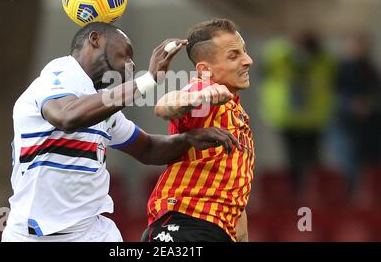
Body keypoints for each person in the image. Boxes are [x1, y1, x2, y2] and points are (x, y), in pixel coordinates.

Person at [2, 22, 238, 242]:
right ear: (95, 39)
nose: (132, 65)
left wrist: (188, 139)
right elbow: (67, 117)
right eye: (126, 53)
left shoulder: (101, 108)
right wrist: (148, 80)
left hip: (91, 232)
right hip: (31, 234)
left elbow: (148, 149)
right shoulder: (56, 77)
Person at [141, 18, 254, 242]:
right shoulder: (204, 89)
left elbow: (235, 200)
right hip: (184, 224)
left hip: (217, 230)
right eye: (234, 55)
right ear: (205, 69)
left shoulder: (236, 111)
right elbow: (164, 106)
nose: (248, 60)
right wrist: (198, 98)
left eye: (244, 52)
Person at [259, 31, 336, 195]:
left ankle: (314, 197)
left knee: (314, 162)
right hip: (287, 118)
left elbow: (331, 78)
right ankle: (295, 196)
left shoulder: (322, 57)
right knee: (292, 162)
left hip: (313, 119)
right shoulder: (278, 53)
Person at [332, 34, 380, 196]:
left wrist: (370, 104)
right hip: (348, 127)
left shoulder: (370, 70)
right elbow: (332, 95)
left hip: (370, 127)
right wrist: (352, 105)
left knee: (371, 166)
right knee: (350, 167)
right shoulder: (341, 70)